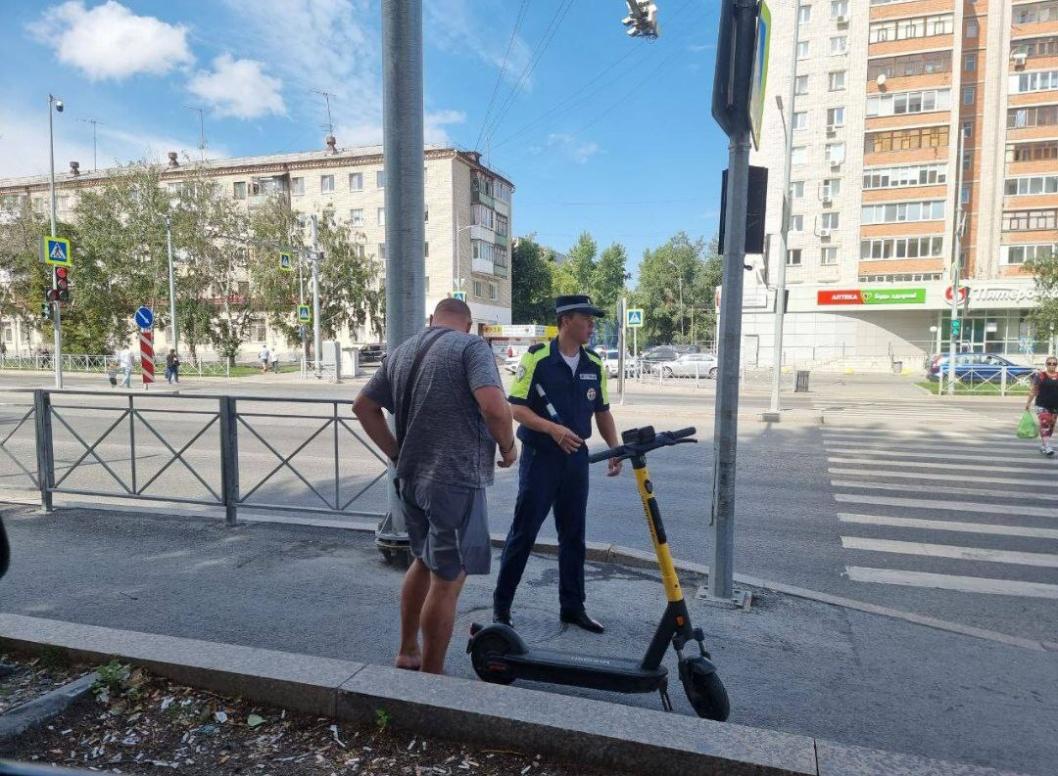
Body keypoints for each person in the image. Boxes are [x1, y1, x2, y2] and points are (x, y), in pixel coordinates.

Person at [353, 298, 517, 674]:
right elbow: (494, 407)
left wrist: (396, 453)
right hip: (454, 480)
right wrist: (508, 448)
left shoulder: (402, 351)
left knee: (424, 562)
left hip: (412, 480)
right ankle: (431, 681)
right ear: (469, 324)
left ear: (432, 319)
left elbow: (363, 406)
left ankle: (408, 650)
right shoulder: (471, 347)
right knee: (448, 577)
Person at [493, 295, 622, 634]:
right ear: (566, 321)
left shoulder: (593, 363)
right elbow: (515, 408)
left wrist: (615, 449)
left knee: (574, 537)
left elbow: (603, 411)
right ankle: (501, 609)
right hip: (541, 459)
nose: (592, 325)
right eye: (586, 319)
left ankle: (572, 607)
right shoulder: (537, 358)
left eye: (594, 320)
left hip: (576, 459)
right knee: (524, 534)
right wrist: (551, 428)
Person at [1025, 356, 1058, 457]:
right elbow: (1033, 390)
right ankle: (1048, 446)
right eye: (1049, 363)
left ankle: (1044, 445)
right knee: (1045, 423)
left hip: (1055, 405)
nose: (1052, 365)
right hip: (1041, 404)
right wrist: (1028, 403)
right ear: (1046, 364)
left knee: (1051, 426)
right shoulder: (1040, 376)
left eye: (1054, 364)